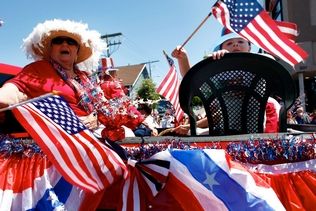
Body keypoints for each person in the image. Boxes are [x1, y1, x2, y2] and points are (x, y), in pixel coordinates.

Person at [171, 28, 281, 135]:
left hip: (254, 132)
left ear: (249, 47)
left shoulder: (258, 66)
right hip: (221, 131)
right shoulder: (217, 73)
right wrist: (183, 59)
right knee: (187, 133)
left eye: (240, 41)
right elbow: (192, 80)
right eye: (229, 43)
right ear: (220, 48)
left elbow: (271, 60)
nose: (235, 45)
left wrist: (231, 60)